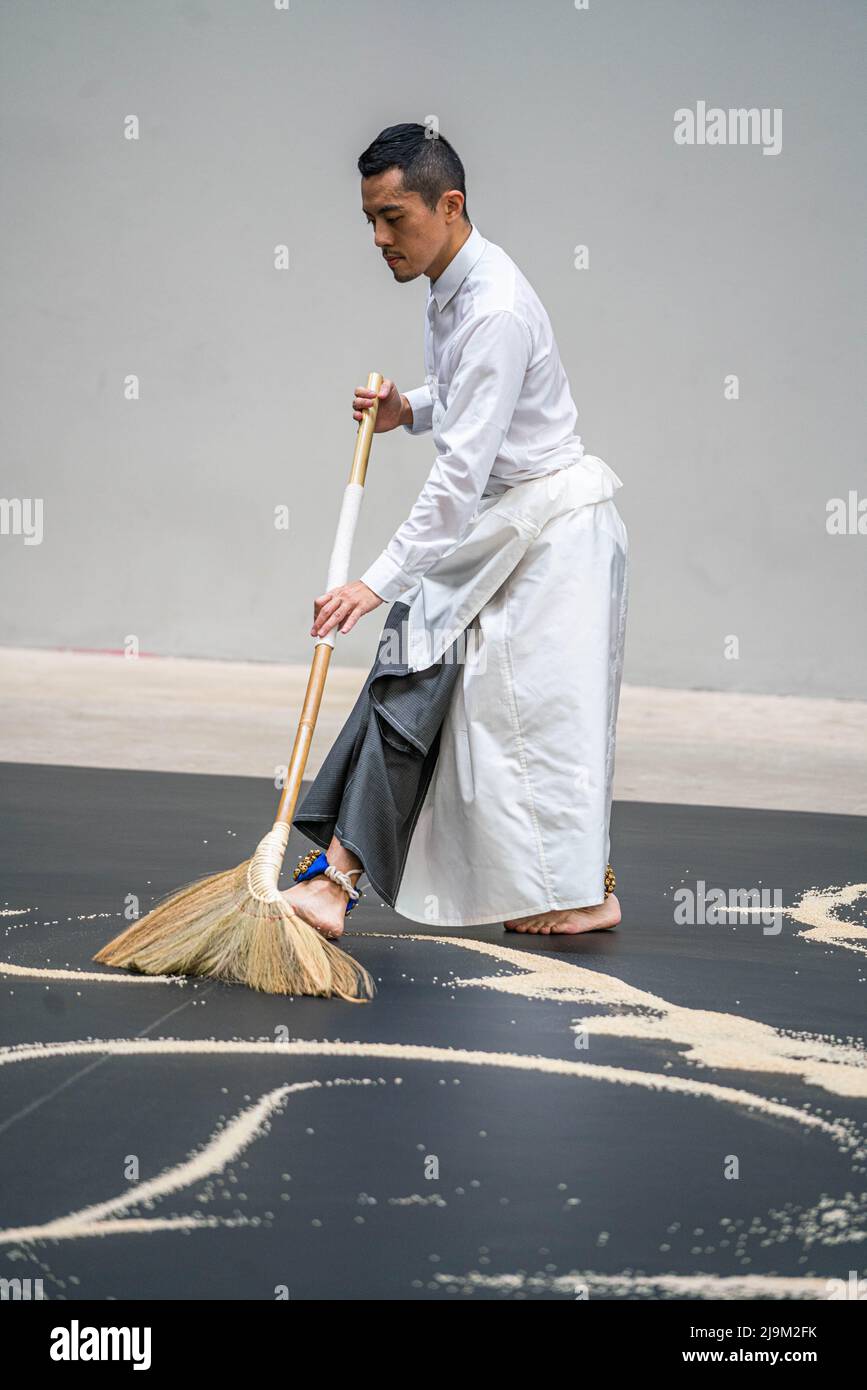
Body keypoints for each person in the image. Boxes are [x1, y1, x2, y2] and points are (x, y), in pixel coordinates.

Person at [284, 122, 629, 944]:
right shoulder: (454, 286)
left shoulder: (496, 306)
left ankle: (339, 876)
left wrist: (377, 580)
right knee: (451, 687)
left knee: (530, 715)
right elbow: (472, 393)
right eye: (369, 219)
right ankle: (338, 871)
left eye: (393, 218)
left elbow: (458, 476)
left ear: (450, 204)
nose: (378, 238)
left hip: (550, 529)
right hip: (514, 519)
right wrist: (412, 407)